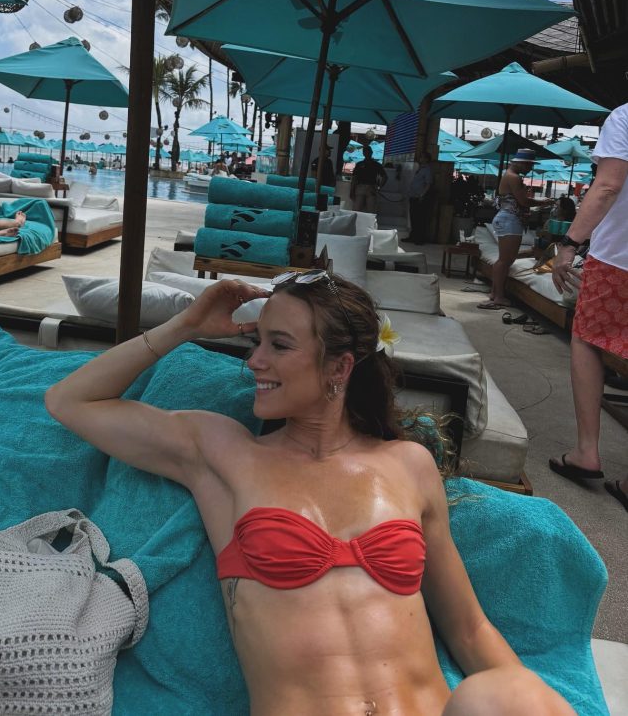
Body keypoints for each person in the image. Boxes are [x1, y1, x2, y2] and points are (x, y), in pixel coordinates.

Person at [46, 272, 574, 716]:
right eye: (256, 342)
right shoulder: (225, 455)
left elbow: (469, 628)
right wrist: (185, 325)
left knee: (503, 695)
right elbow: (71, 401)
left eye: (279, 345)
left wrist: (526, 698)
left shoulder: (408, 465)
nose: (254, 361)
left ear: (339, 368)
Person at [549, 102, 628, 513]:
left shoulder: (625, 116)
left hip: (619, 259)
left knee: (585, 338)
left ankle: (586, 452)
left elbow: (608, 186)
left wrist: (569, 244)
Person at [477, 149, 552, 310]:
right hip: (509, 220)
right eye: (529, 165)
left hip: (507, 219)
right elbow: (523, 202)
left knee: (505, 260)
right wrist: (543, 202)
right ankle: (498, 296)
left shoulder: (510, 175)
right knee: (505, 261)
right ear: (521, 163)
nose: (530, 169)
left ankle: (495, 294)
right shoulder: (514, 177)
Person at [350, 144, 388, 212]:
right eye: (365, 151)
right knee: (365, 211)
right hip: (366, 188)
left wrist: (378, 188)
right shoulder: (376, 165)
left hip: (367, 188)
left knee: (360, 211)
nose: (367, 153)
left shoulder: (361, 164)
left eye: (367, 151)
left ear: (371, 152)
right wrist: (379, 187)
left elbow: (354, 179)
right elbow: (354, 178)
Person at [406, 153, 434, 245]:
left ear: (426, 159)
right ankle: (413, 236)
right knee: (413, 218)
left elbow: (428, 184)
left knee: (420, 219)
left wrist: (422, 195)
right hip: (413, 196)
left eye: (422, 157)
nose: (420, 158)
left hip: (419, 197)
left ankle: (419, 239)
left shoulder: (427, 170)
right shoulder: (420, 169)